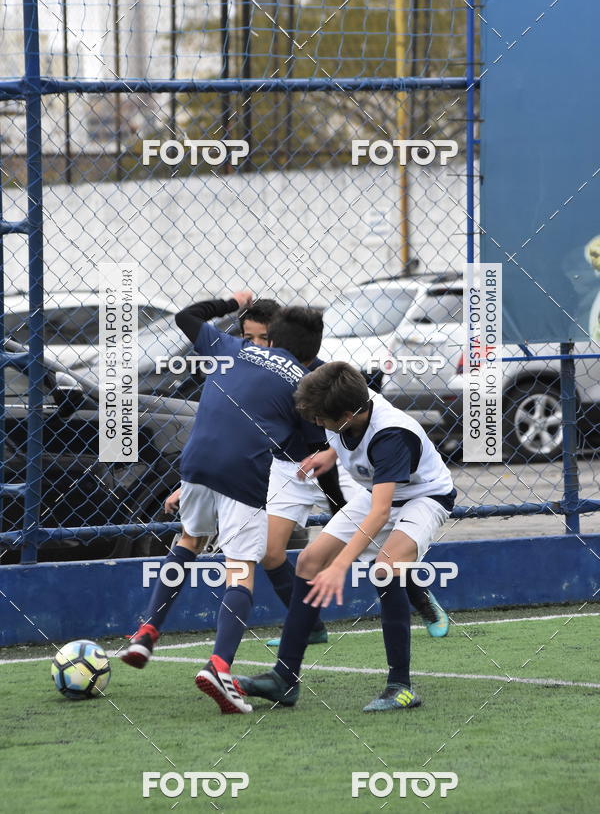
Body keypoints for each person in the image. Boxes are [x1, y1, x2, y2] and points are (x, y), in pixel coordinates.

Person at [120, 297, 331, 714]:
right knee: (240, 569)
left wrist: (232, 302)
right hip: (242, 474)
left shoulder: (232, 347)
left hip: (196, 462)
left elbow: (186, 317)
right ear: (309, 352)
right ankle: (219, 665)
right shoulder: (304, 381)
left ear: (271, 338)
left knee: (189, 539)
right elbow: (308, 449)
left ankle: (146, 630)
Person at [236, 362, 457, 713]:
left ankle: (400, 686)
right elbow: (350, 444)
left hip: (423, 497)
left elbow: (381, 512)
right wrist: (328, 453)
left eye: (322, 420)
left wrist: (340, 566)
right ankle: (284, 679)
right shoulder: (348, 401)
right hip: (380, 492)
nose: (316, 424)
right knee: (308, 560)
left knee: (384, 568)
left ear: (347, 414)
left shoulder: (391, 436)